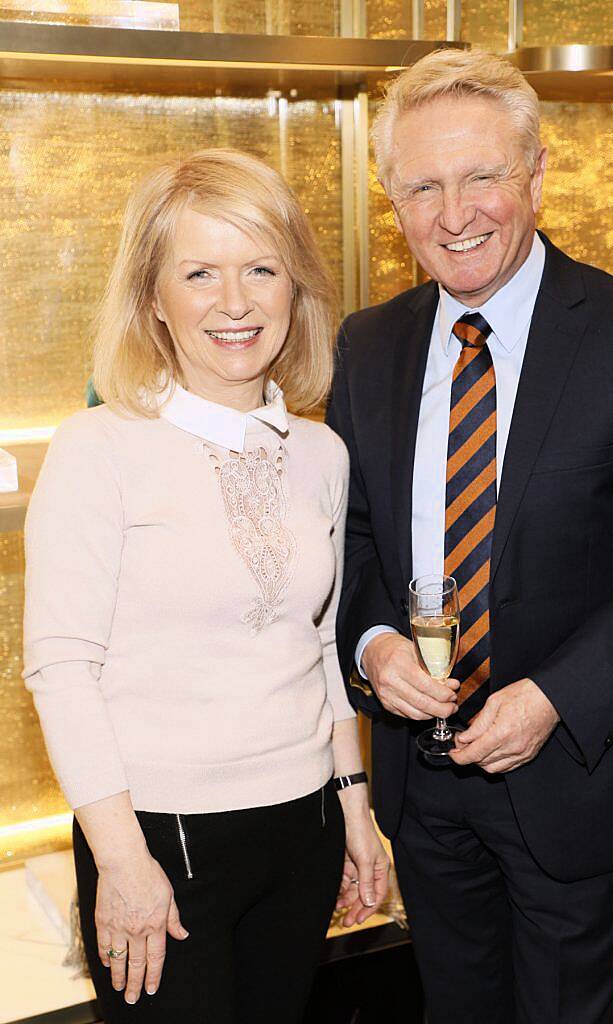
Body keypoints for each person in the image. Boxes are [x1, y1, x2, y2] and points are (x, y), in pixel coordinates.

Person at [326, 48, 613, 1024]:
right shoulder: (367, 344)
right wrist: (373, 642)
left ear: (538, 176)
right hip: (420, 789)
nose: (454, 212)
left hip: (572, 781)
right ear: (392, 200)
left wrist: (553, 698)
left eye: (482, 176)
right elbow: (349, 537)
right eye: (422, 185)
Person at [24, 148, 389, 1024]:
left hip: (301, 828)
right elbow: (60, 668)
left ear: (293, 288)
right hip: (155, 837)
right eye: (200, 273)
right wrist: (120, 860)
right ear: (154, 297)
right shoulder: (97, 448)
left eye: (260, 269)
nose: (235, 302)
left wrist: (355, 811)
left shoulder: (320, 453)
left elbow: (321, 646)